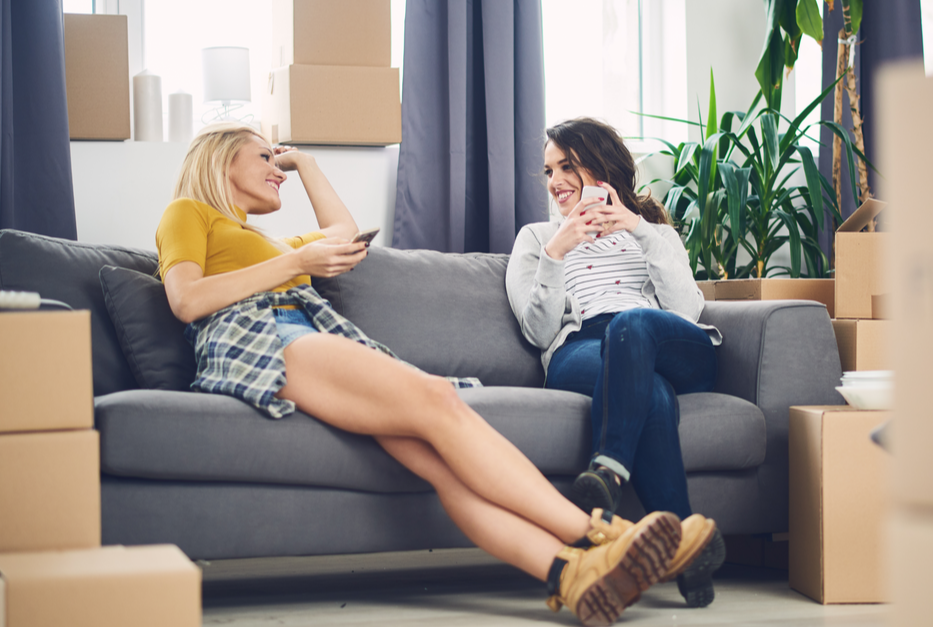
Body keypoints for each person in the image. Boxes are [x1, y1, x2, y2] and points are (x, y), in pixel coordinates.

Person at [155, 122, 682, 627]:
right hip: (263, 332)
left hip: (298, 330)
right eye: (266, 158)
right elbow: (185, 300)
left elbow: (341, 233)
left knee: (439, 467)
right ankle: (604, 534)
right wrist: (296, 263)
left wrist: (307, 164)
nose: (278, 171)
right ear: (223, 161)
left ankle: (571, 574)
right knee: (439, 402)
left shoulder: (266, 241)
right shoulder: (189, 213)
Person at [505, 118, 728, 607]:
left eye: (567, 165)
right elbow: (538, 331)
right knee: (650, 393)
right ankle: (688, 549)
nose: (555, 181)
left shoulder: (651, 230)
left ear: (602, 165)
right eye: (548, 170)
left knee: (634, 324)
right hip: (583, 348)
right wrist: (557, 251)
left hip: (662, 339)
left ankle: (606, 473)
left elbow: (685, 312)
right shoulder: (537, 237)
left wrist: (639, 230)